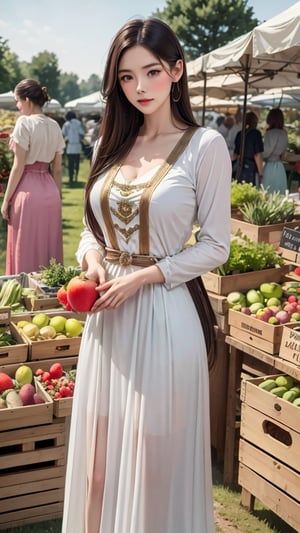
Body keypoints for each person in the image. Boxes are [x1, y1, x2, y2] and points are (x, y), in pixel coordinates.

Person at [62, 17, 231, 533]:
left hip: (164, 317)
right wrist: (91, 261)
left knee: (153, 471)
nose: (139, 88)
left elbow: (216, 246)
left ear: (177, 71)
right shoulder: (109, 144)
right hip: (107, 326)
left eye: (152, 72)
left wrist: (143, 276)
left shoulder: (205, 147)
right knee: (95, 473)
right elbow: (93, 230)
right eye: (127, 77)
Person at [1, 79, 65, 275]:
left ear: (27, 100)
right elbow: (57, 170)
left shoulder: (24, 123)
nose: (17, 106)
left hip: (28, 191)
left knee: (24, 245)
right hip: (50, 192)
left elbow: (18, 167)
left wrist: (5, 201)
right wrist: (58, 198)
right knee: (48, 243)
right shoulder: (54, 125)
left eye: (17, 101)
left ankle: (24, 291)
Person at [232, 111, 264, 186]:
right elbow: (257, 155)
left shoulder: (240, 133)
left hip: (239, 166)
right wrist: (260, 173)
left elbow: (235, 154)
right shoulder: (256, 134)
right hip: (250, 167)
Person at [262, 108, 288, 195]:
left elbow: (266, 152)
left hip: (270, 167)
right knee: (279, 193)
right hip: (280, 167)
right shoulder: (284, 133)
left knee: (267, 192)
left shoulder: (270, 133)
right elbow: (283, 154)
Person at [62, 110, 85, 184]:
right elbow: (82, 133)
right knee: (77, 163)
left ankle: (70, 178)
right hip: (77, 146)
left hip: (70, 146)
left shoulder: (67, 124)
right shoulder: (78, 123)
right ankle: (76, 178)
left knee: (70, 163)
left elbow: (63, 134)